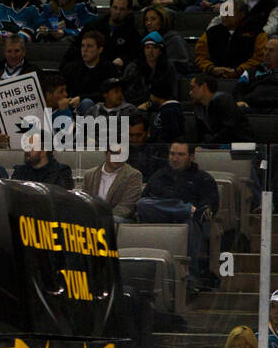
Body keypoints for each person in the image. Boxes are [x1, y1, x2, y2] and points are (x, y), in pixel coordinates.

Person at [136, 139, 218, 290]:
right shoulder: (159, 176)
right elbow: (144, 202)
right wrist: (184, 208)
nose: (175, 158)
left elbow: (208, 210)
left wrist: (189, 212)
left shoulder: (204, 179)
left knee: (189, 224)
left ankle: (191, 277)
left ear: (191, 157)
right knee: (143, 204)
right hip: (159, 221)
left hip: (189, 223)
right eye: (172, 154)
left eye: (180, 154)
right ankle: (185, 208)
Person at [194, 4, 267, 80]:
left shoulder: (256, 33)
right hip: (212, 77)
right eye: (223, 12)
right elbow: (200, 56)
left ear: (241, 14)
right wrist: (211, 69)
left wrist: (238, 71)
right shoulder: (211, 32)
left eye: (229, 12)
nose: (225, 15)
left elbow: (259, 58)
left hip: (248, 78)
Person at [80, 145, 143, 220]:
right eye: (115, 153)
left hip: (118, 218)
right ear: (106, 153)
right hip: (92, 216)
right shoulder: (90, 174)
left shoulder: (134, 175)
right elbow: (85, 201)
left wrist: (101, 217)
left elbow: (126, 207)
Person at [236, 39, 278, 111]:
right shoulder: (250, 72)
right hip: (250, 107)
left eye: (271, 50)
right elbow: (238, 89)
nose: (266, 53)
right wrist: (240, 101)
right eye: (265, 49)